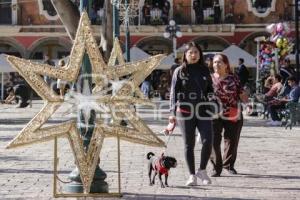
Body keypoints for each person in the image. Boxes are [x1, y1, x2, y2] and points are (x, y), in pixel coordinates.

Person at [169, 42, 214, 186]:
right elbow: (173, 93)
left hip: (203, 109)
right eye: (190, 53)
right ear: (185, 55)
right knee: (189, 144)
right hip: (184, 111)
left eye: (196, 52)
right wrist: (171, 112)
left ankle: (202, 170)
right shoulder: (179, 71)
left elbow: (209, 89)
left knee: (208, 140)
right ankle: (191, 175)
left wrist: (212, 97)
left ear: (200, 54)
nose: (193, 55)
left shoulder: (205, 70)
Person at [210, 53, 248, 177]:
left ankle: (229, 165)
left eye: (219, 62)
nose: (216, 64)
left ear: (226, 64)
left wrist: (248, 104)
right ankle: (216, 167)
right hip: (213, 113)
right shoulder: (209, 78)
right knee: (213, 140)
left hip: (233, 112)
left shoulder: (233, 78)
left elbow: (242, 93)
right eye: (214, 62)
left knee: (232, 140)